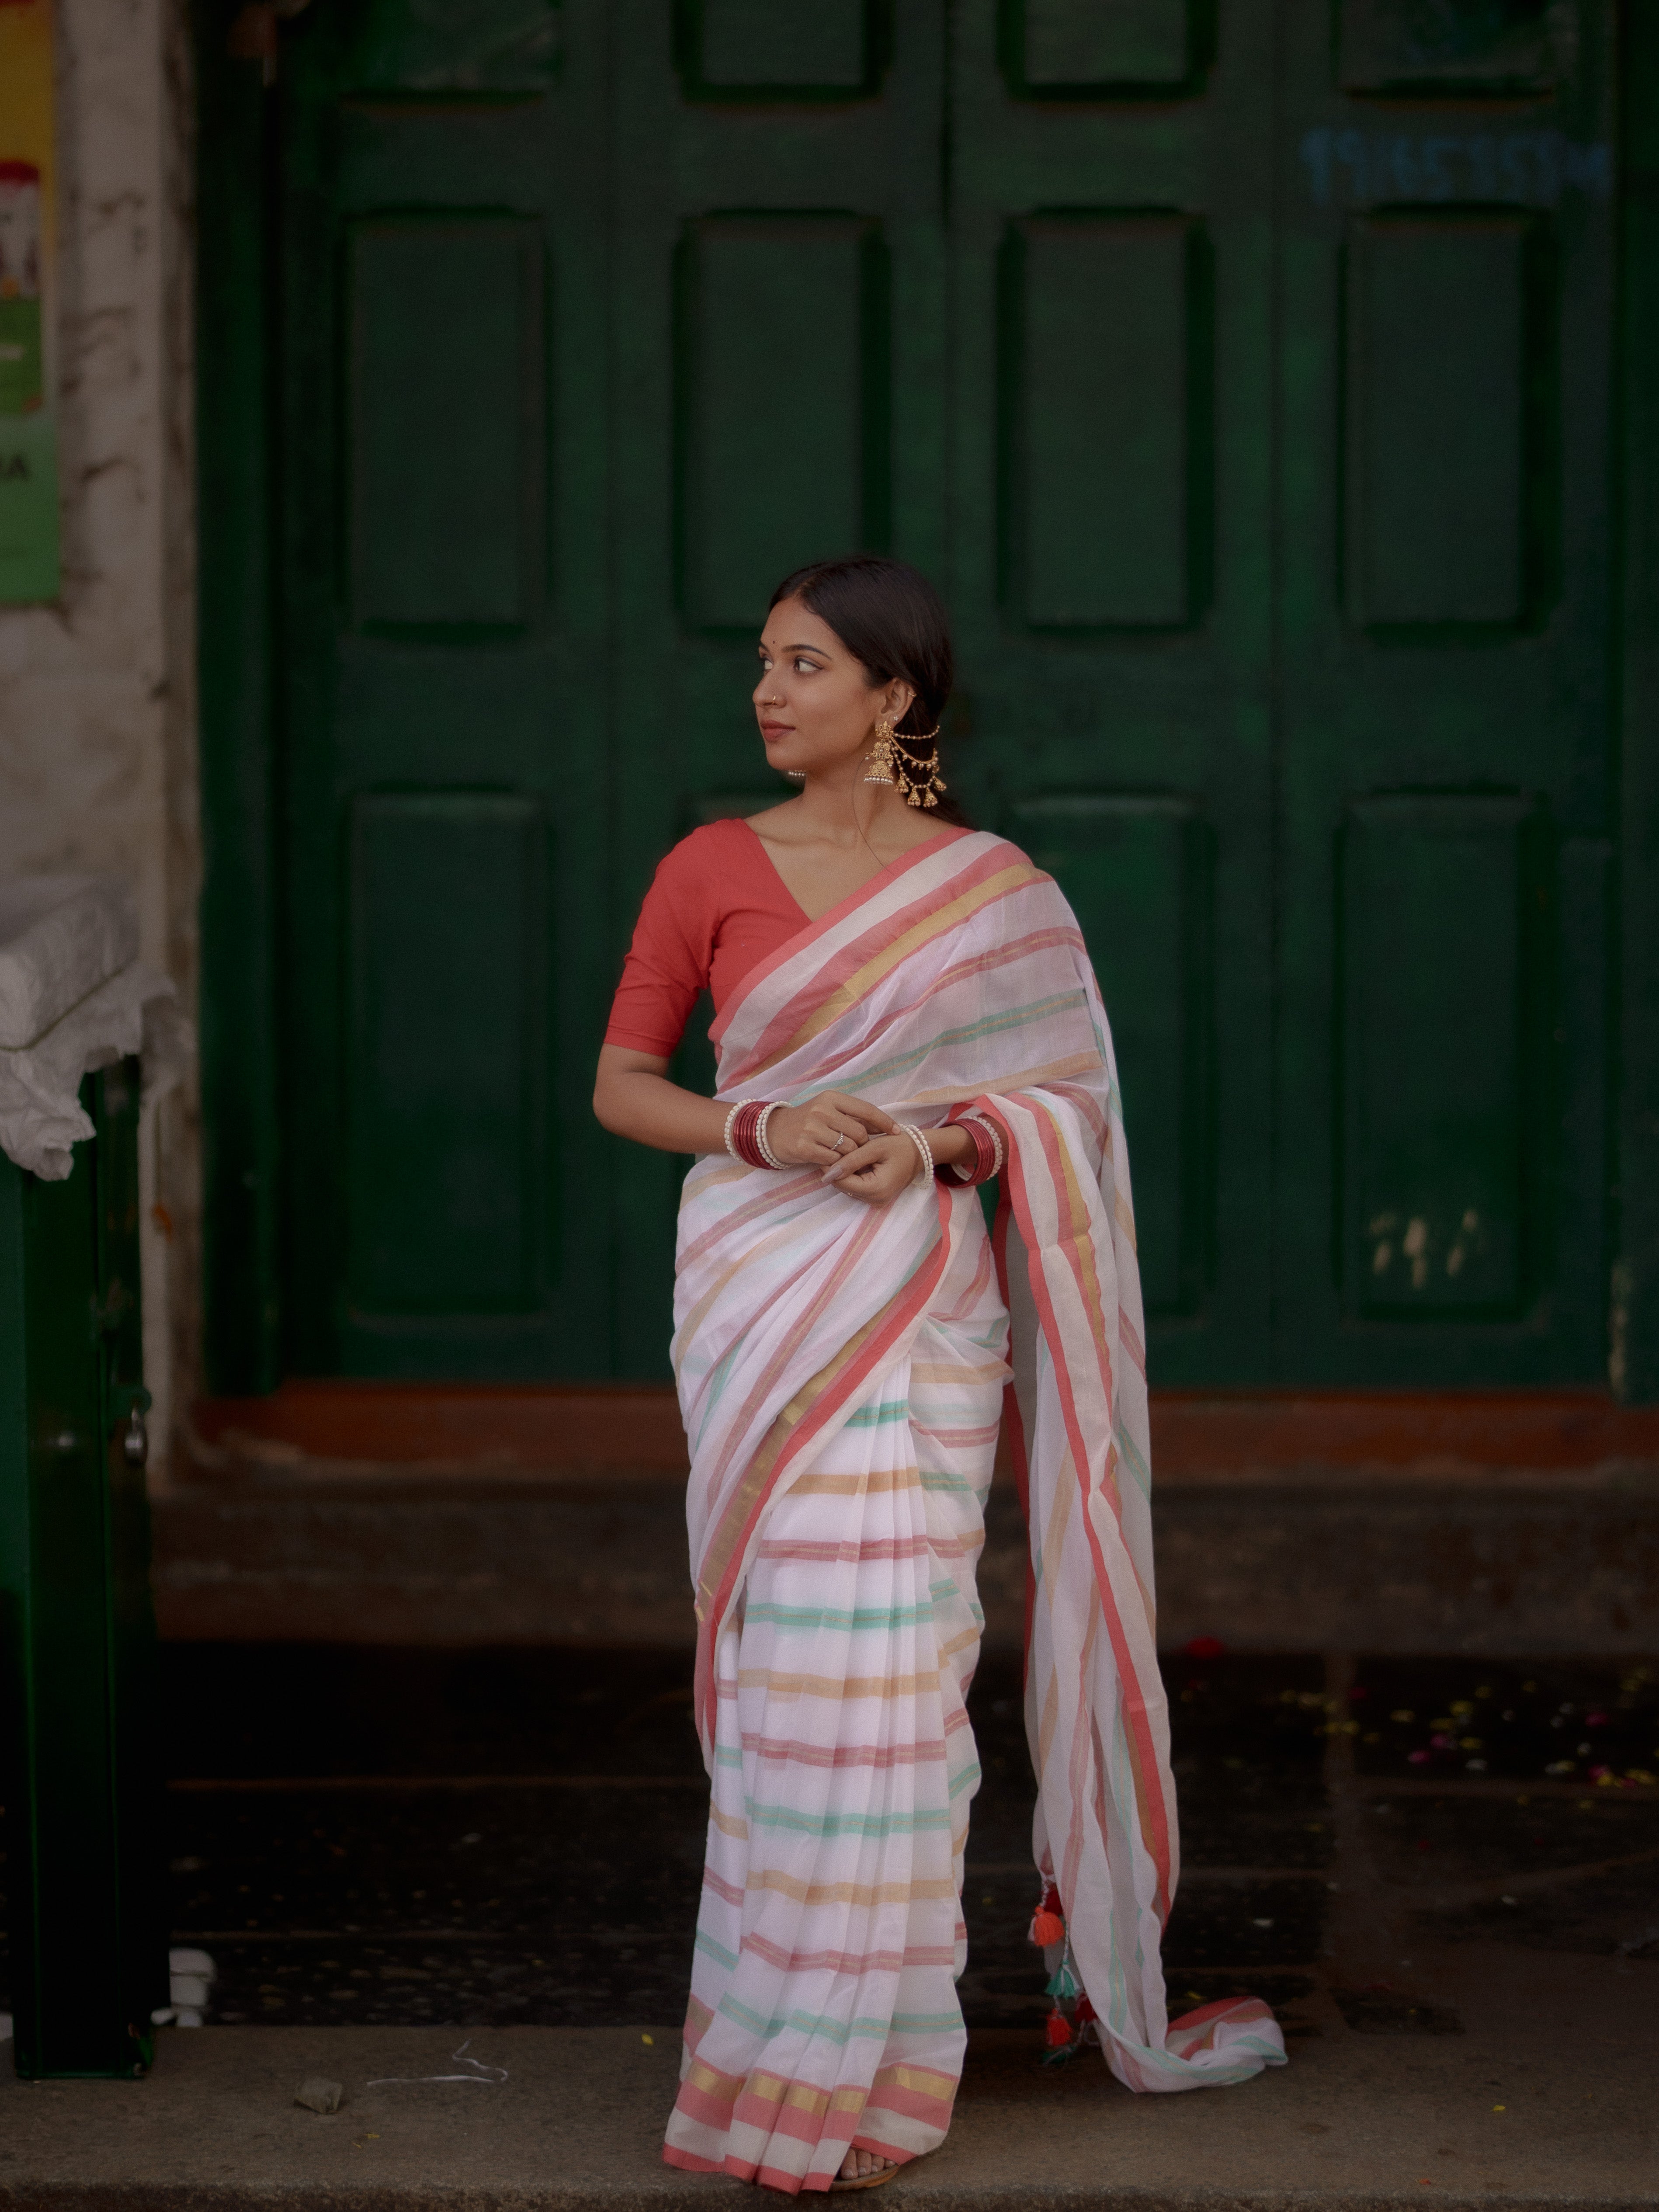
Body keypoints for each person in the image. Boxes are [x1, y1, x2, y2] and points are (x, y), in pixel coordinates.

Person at [593, 555, 1285, 2195]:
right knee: (791, 1694)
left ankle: (878, 2079)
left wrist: (944, 1138)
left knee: (901, 1678)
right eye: (760, 663)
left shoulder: (994, 895)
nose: (765, 692)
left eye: (804, 666)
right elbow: (625, 1087)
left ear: (891, 699)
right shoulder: (707, 867)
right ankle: (769, 2063)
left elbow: (1059, 1110)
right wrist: (762, 1122)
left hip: (918, 1311)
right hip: (767, 1295)